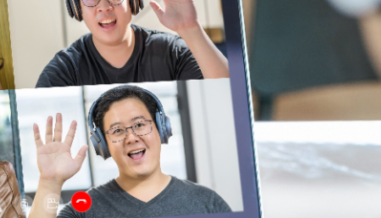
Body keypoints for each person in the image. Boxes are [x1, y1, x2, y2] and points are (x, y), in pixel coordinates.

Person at [28, 85, 230, 218]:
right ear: (104, 145)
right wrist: (50, 182)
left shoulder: (207, 203)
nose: (131, 137)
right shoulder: (84, 209)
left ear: (161, 129)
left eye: (140, 124)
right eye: (117, 130)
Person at [36, 0, 228, 88]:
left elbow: (229, 93)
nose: (104, 7)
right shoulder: (65, 69)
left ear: (133, 0)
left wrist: (191, 28)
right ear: (77, 8)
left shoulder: (172, 52)